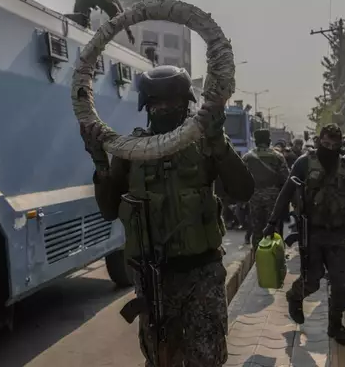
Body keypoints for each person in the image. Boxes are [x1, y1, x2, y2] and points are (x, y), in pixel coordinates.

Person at [81, 65, 254, 366]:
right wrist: (100, 163)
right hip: (154, 277)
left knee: (207, 357)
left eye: (172, 103)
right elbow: (108, 210)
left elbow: (243, 190)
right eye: (157, 103)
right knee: (161, 358)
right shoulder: (131, 150)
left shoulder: (204, 143)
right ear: (146, 107)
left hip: (203, 272)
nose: (164, 109)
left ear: (186, 103)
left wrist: (219, 143)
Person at [264, 123, 345, 346]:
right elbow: (286, 193)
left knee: (342, 284)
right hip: (311, 232)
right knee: (312, 281)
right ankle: (295, 297)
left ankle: (335, 325)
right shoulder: (304, 163)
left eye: (334, 145)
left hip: (337, 234)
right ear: (318, 141)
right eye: (325, 144)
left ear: (340, 145)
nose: (330, 148)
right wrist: (273, 222)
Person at [242, 129, 289, 249]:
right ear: (268, 141)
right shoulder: (278, 156)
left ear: (256, 141)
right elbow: (286, 179)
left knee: (257, 229)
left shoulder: (247, 157)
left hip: (254, 197)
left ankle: (259, 256)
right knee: (273, 229)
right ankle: (274, 258)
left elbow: (241, 178)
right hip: (273, 198)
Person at [68, 0, 136, 44]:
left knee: (80, 17)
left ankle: (81, 25)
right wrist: (129, 33)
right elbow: (122, 14)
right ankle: (106, 33)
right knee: (116, 14)